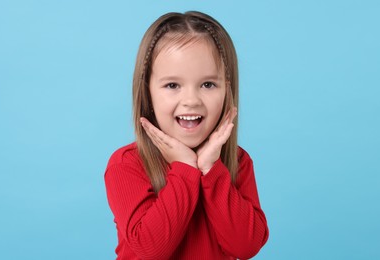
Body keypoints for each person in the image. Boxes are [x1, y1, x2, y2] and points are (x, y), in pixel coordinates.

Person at [104, 11, 269, 260]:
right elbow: (151, 249)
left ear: (227, 90)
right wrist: (184, 168)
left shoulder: (237, 161)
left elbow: (246, 246)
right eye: (172, 85)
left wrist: (211, 169)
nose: (191, 101)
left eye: (208, 85)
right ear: (147, 92)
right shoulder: (127, 164)